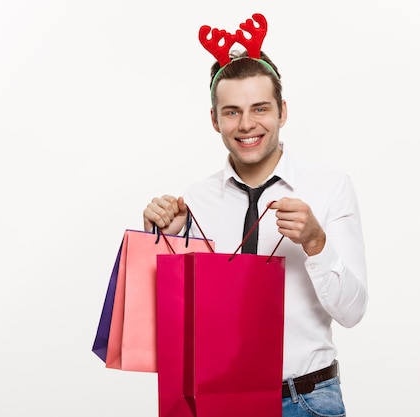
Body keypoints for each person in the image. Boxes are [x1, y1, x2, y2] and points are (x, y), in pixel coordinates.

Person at [143, 13, 368, 417]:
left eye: (260, 108)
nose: (247, 124)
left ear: (282, 112)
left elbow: (352, 312)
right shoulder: (195, 199)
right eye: (231, 112)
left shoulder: (330, 187)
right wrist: (165, 241)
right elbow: (176, 323)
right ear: (214, 119)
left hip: (307, 401)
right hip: (216, 399)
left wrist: (317, 244)